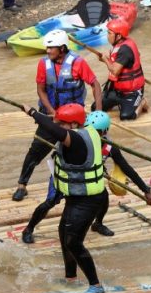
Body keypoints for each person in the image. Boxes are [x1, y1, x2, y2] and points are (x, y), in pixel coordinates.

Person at [21, 111, 151, 243]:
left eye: (96, 132)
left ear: (104, 132)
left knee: (103, 196)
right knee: (50, 202)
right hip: (65, 177)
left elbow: (127, 168)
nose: (92, 135)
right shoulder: (74, 138)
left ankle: (98, 223)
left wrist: (146, 190)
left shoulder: (110, 147)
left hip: (85, 181)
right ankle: (29, 229)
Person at [19, 103, 109, 293]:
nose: (58, 127)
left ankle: (96, 284)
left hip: (88, 200)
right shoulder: (85, 131)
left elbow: (53, 130)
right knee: (63, 235)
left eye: (62, 124)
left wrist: (32, 112)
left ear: (75, 124)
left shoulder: (76, 139)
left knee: (74, 242)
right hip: (76, 197)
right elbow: (53, 126)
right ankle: (71, 277)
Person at [12, 30, 102, 202]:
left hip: (74, 120)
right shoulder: (43, 64)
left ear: (61, 48)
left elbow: (95, 84)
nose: (47, 51)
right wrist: (53, 113)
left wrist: (98, 111)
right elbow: (41, 89)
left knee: (84, 150)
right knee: (36, 150)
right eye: (47, 48)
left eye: (50, 48)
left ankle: (91, 179)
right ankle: (22, 185)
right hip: (51, 115)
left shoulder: (78, 63)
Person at [99, 19, 149, 122]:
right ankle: (117, 102)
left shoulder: (125, 50)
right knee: (97, 107)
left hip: (132, 92)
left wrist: (105, 60)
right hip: (117, 91)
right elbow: (137, 54)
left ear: (119, 36)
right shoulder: (120, 44)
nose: (107, 35)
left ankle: (141, 102)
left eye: (109, 33)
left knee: (126, 117)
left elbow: (115, 71)